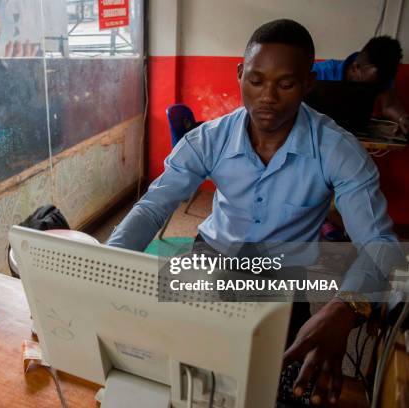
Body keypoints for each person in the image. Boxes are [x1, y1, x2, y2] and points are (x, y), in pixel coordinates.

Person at [107, 19, 398, 405]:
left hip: (284, 274)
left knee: (277, 385)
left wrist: (346, 308)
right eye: (257, 80)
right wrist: (108, 262)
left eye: (286, 83)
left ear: (308, 83)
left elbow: (380, 244)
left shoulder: (338, 150)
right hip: (214, 254)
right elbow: (153, 206)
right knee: (174, 362)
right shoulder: (209, 139)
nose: (268, 97)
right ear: (241, 74)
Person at [312, 36, 409, 134]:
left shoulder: (382, 76)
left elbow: (389, 106)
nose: (374, 88)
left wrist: (402, 119)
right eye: (368, 86)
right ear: (355, 67)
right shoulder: (319, 72)